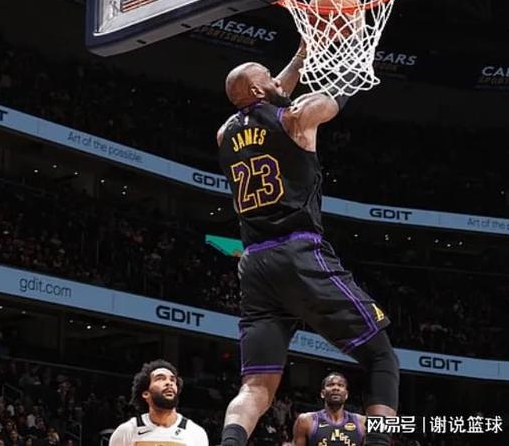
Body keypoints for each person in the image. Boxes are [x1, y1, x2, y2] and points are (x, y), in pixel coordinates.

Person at [216, 46, 399, 446]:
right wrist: (356, 62)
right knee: (381, 356)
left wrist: (300, 57)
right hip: (297, 252)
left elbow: (271, 92)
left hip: (255, 264)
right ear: (258, 90)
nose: (276, 79)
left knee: (255, 386)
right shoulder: (296, 118)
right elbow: (334, 96)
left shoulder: (224, 134)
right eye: (268, 75)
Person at [109, 359, 208, 445]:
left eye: (172, 380)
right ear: (146, 394)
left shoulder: (195, 432)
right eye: (160, 378)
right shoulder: (127, 431)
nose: (169, 383)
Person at [293, 373, 365, 446]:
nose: (336, 388)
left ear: (346, 395)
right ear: (322, 393)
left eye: (340, 385)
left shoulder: (363, 422)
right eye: (330, 385)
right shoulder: (305, 421)